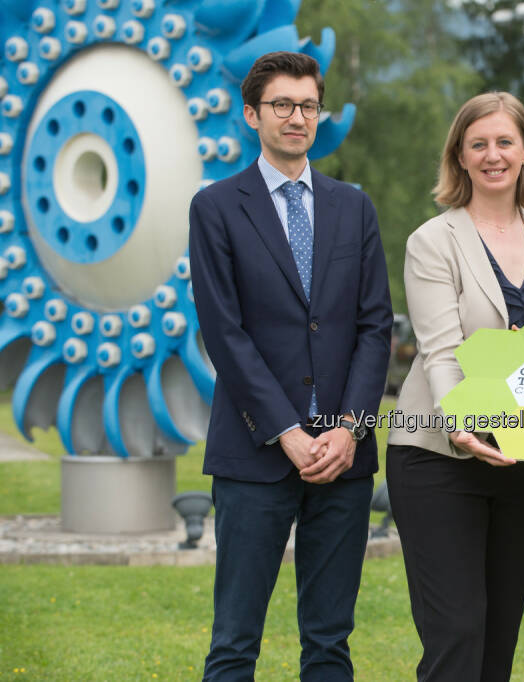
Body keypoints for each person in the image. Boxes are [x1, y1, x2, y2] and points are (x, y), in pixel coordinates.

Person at [188, 51, 392, 680]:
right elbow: (225, 333)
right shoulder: (216, 207)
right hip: (255, 454)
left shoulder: (352, 207)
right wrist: (288, 432)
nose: (297, 117)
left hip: (343, 458)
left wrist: (348, 429)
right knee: (234, 644)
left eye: (308, 105)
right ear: (253, 114)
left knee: (330, 645)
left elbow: (374, 325)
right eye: (282, 105)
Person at [386, 91, 524, 681]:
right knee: (457, 633)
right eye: (478, 145)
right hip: (440, 457)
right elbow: (441, 352)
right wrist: (462, 423)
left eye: (504, 142)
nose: (492, 155)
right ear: (460, 157)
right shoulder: (432, 241)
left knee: (498, 641)